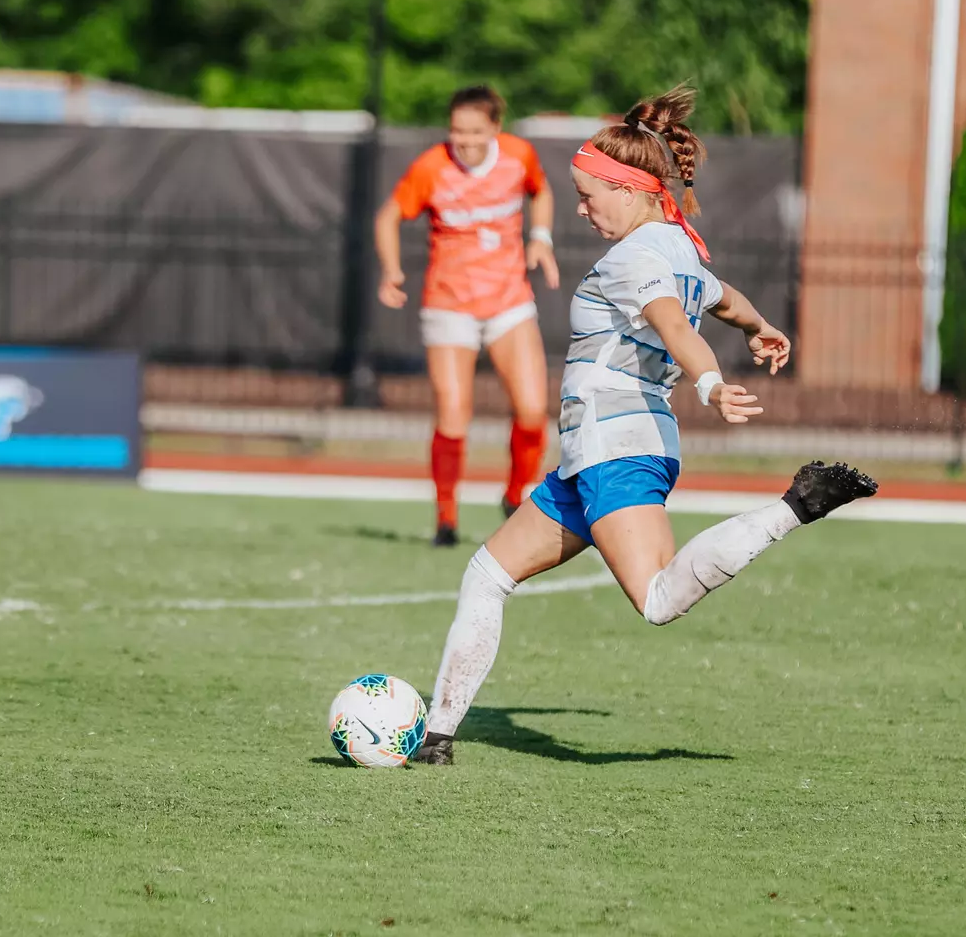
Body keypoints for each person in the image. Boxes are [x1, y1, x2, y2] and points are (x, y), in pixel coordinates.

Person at [408, 86, 878, 766]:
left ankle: (795, 507)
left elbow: (672, 322)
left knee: (658, 599)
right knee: (486, 574)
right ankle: (438, 738)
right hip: (596, 455)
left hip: (611, 448)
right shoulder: (677, 246)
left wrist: (712, 382)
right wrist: (760, 326)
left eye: (588, 195)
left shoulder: (634, 259)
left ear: (631, 191)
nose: (579, 208)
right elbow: (721, 298)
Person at [376, 85, 561, 548]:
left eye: (476, 131)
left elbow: (542, 192)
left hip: (508, 302)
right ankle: (446, 518)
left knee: (533, 409)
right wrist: (392, 270)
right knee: (454, 414)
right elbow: (387, 217)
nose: (465, 140)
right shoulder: (432, 167)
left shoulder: (518, 156)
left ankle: (516, 494)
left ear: (495, 128)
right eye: (457, 130)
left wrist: (541, 237)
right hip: (449, 305)